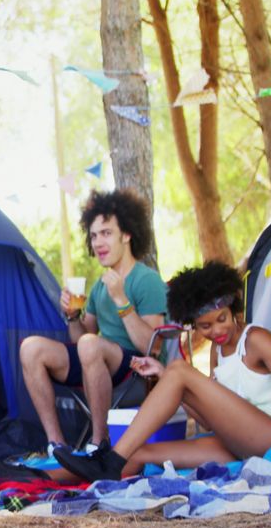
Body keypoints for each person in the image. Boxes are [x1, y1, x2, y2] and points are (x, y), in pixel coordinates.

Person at [54, 261, 271, 482]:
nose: (216, 331)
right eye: (205, 326)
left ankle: (110, 459)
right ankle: (42, 477)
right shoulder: (217, 352)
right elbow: (206, 421)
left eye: (222, 319)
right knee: (138, 453)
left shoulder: (257, 340)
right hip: (239, 444)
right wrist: (162, 376)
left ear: (234, 310)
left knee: (179, 370)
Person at [20, 189, 168, 458]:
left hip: (136, 373)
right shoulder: (101, 285)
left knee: (91, 345)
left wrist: (122, 301)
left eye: (107, 233)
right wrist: (73, 316)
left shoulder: (146, 280)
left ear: (126, 234)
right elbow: (82, 340)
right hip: (99, 366)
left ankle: (99, 442)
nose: (98, 241)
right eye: (94, 235)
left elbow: (153, 347)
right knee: (31, 348)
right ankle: (57, 446)